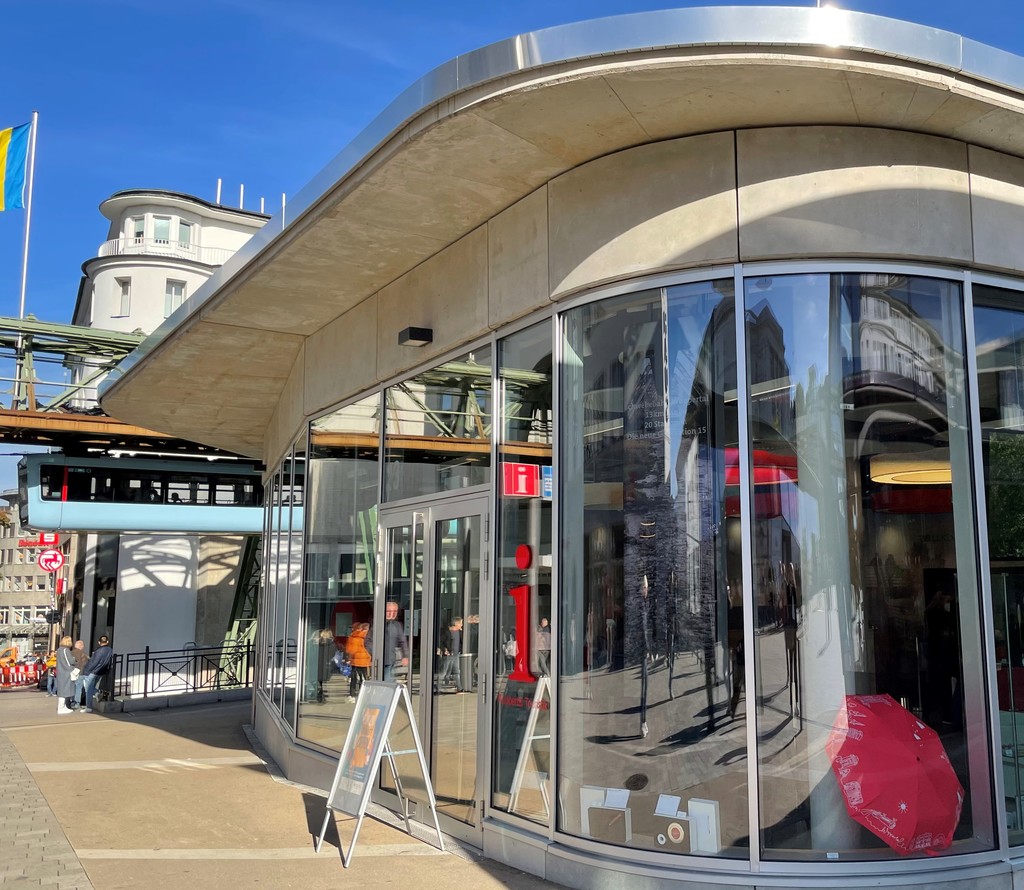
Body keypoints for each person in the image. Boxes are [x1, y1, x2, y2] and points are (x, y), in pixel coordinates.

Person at [77, 635, 113, 713]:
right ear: (107, 642)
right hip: (101, 671)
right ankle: (97, 694)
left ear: (99, 642)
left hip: (93, 671)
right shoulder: (110, 650)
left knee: (88, 688)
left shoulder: (98, 651)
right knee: (93, 686)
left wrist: (86, 670)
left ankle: (89, 706)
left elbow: (94, 662)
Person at [345, 622, 372, 702]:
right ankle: (363, 694)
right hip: (365, 660)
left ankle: (352, 695)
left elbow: (350, 650)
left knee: (354, 678)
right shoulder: (368, 636)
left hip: (355, 660)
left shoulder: (353, 636)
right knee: (364, 678)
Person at [382, 601, 409, 682]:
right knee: (387, 681)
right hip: (379, 659)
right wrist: (373, 654)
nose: (392, 614)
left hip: (390, 659)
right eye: (389, 611)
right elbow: (368, 641)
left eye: (395, 611)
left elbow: (403, 641)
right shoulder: (376, 623)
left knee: (388, 680)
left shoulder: (397, 625)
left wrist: (405, 656)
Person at [438, 617, 466, 692]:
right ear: (456, 624)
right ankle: (438, 688)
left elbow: (461, 642)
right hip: (448, 655)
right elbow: (440, 642)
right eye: (460, 623)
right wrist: (444, 650)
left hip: (456, 655)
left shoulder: (460, 632)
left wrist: (460, 650)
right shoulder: (447, 632)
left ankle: (459, 688)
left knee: (457, 671)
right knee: (443, 672)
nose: (462, 625)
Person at [54, 636, 77, 715]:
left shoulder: (59, 650)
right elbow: (70, 661)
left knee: (62, 690)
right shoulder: (66, 650)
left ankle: (63, 707)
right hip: (66, 672)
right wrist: (74, 659)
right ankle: (61, 708)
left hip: (61, 672)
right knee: (65, 691)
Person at [71, 640, 89, 708]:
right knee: (79, 688)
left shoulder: (71, 653)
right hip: (81, 672)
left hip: (72, 672)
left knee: (73, 687)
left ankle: (73, 701)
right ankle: (77, 702)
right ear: (81, 646)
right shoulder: (83, 654)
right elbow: (85, 663)